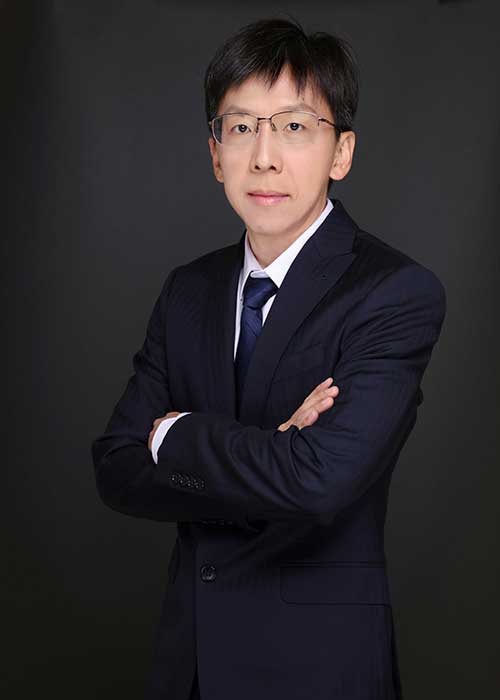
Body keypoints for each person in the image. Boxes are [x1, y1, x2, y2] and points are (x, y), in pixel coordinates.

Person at [91, 16, 446, 700]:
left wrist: (175, 435)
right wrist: (273, 453)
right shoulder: (188, 290)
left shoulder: (393, 292)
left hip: (319, 668)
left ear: (341, 152)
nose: (264, 157)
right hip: (190, 665)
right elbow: (116, 467)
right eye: (241, 127)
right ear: (215, 152)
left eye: (294, 127)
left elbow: (320, 483)